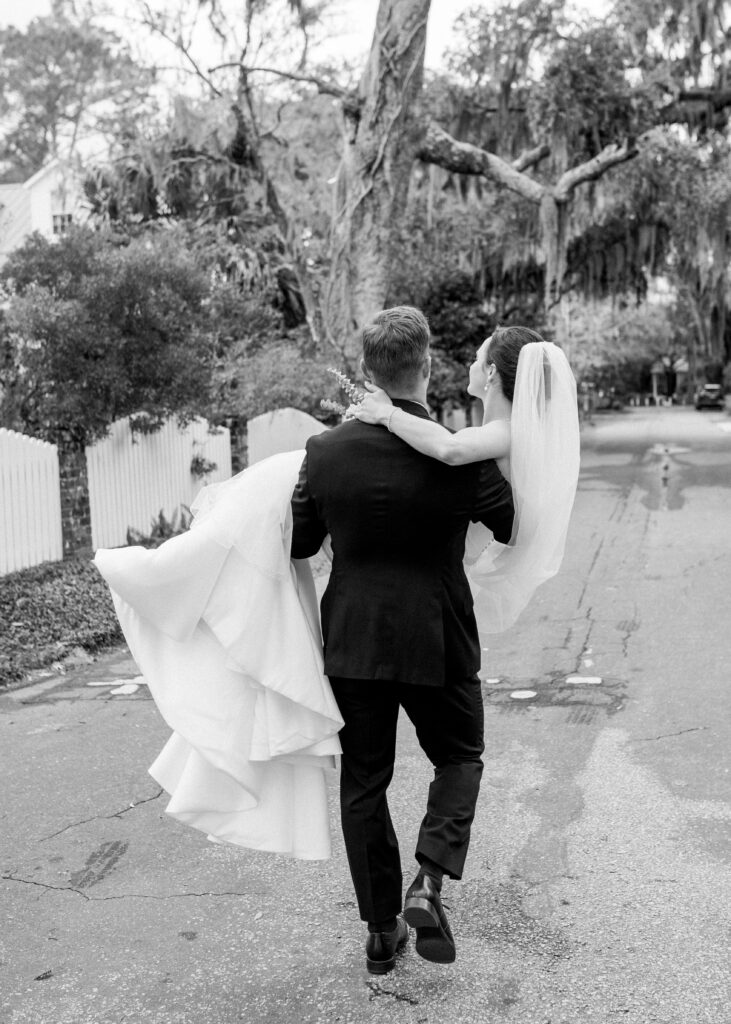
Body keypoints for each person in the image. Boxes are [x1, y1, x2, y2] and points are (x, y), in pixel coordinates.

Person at [289, 306, 515, 974]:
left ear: (367, 371)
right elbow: (508, 524)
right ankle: (430, 881)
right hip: (437, 635)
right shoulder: (457, 453)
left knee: (363, 783)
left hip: (352, 641)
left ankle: (381, 931)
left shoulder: (324, 452)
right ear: (425, 364)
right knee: (460, 757)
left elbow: (300, 544)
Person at [353, 325, 581, 635]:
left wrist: (386, 413)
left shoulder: (504, 432)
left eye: (476, 359)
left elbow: (449, 449)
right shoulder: (514, 430)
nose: (470, 365)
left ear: (491, 372)